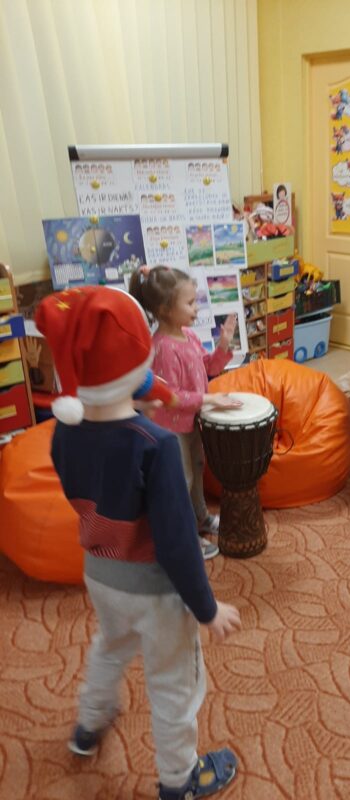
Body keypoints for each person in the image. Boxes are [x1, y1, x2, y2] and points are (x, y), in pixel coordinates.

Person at [35, 286, 242, 800]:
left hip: (100, 574)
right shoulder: (158, 445)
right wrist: (206, 607)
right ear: (134, 365)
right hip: (156, 592)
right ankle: (180, 779)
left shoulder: (63, 431)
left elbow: (124, 392)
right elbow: (177, 543)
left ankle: (88, 726)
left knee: (109, 646)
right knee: (174, 683)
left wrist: (148, 394)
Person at [130, 265, 242, 560]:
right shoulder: (163, 348)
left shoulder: (188, 336)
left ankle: (200, 517)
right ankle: (185, 536)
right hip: (170, 430)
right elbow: (170, 397)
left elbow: (209, 367)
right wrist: (209, 400)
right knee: (182, 482)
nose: (197, 308)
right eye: (190, 303)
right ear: (165, 310)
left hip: (191, 422)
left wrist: (224, 344)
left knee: (197, 469)